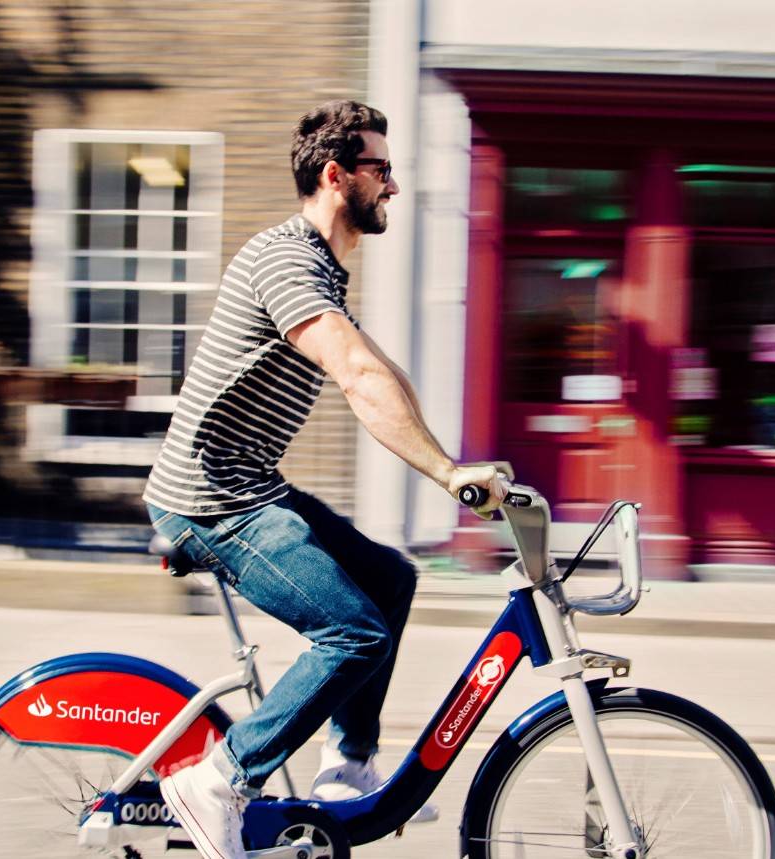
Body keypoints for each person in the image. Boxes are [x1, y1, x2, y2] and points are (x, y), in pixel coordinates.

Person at [143, 99, 505, 859]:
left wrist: (463, 464)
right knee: (351, 629)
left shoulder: (321, 272)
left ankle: (346, 767)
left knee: (391, 579)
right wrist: (445, 474)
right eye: (381, 170)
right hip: (209, 498)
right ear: (337, 175)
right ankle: (221, 777)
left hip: (247, 485)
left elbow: (382, 371)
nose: (394, 188)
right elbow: (356, 375)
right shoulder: (287, 260)